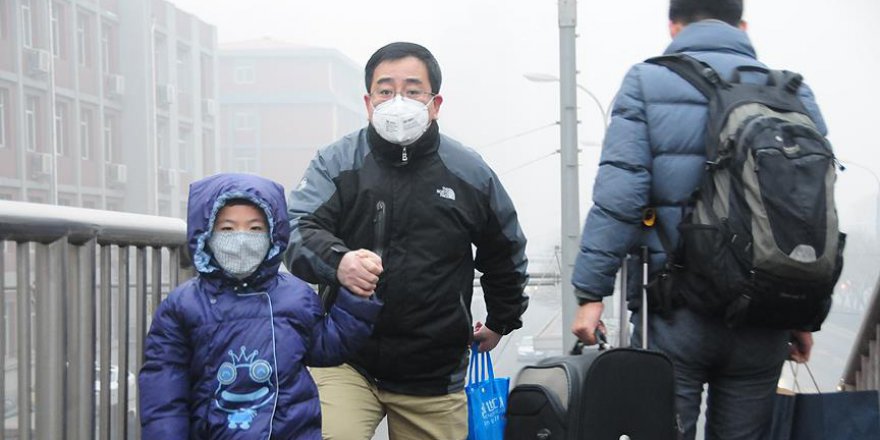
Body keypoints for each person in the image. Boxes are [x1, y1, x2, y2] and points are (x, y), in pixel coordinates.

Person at [569, 1, 825, 439]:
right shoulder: (794, 94)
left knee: (662, 429)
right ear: (742, 26)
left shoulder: (647, 81)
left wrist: (591, 293)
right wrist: (803, 312)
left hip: (675, 310)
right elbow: (808, 210)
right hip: (765, 312)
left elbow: (621, 197)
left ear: (673, 26)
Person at [285, 41, 529, 440]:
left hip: (432, 372)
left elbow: (504, 249)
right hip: (346, 358)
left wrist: (503, 318)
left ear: (435, 103)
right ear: (368, 102)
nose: (398, 100)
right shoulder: (337, 162)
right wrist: (339, 262)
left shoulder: (469, 171)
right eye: (385, 90)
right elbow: (295, 228)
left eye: (413, 90)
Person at [138, 173, 382, 439]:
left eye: (255, 229)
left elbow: (328, 347)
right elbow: (164, 392)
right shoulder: (182, 306)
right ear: (205, 234)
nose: (242, 240)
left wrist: (356, 297)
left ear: (274, 234)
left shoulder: (295, 296)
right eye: (227, 229)